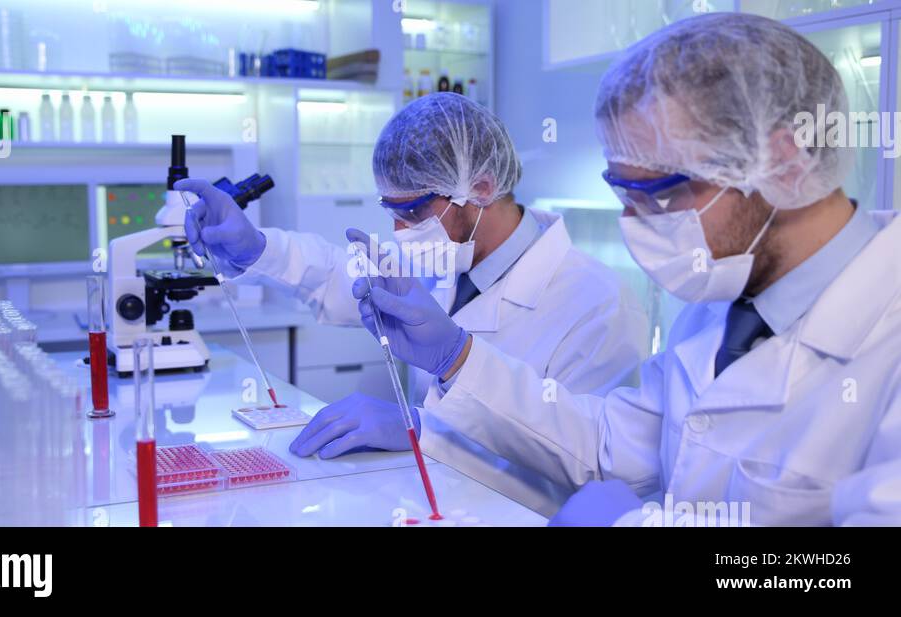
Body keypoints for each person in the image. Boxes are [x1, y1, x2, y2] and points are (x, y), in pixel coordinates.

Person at [353, 14, 901, 526]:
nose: (631, 223)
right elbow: (608, 446)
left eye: (657, 193)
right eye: (621, 190)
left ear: (784, 161)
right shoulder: (723, 307)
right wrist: (457, 358)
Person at [178, 93, 648, 515]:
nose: (401, 232)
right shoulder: (445, 253)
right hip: (427, 503)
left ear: (481, 188)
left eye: (412, 211)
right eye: (392, 212)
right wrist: (256, 248)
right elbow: (340, 275)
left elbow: (591, 470)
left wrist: (425, 430)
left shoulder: (599, 304)